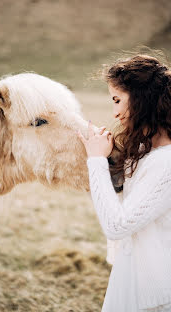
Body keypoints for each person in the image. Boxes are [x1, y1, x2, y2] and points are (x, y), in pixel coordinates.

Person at [77, 54, 171, 312]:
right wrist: (107, 160)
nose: (114, 112)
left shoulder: (166, 163)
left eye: (117, 100)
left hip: (154, 296)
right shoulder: (145, 150)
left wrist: (95, 161)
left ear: (142, 99)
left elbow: (118, 225)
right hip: (133, 278)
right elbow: (118, 196)